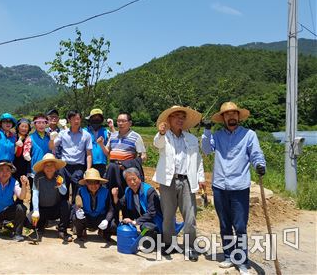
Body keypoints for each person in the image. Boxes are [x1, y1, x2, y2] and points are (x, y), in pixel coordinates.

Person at [202, 102, 266, 275]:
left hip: (239, 187)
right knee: (224, 225)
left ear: (238, 116)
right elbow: (207, 150)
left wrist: (260, 165)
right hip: (219, 186)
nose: (231, 117)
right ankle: (229, 256)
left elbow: (256, 154)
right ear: (223, 118)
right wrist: (207, 131)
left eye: (234, 114)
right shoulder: (218, 135)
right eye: (227, 114)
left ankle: (242, 261)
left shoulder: (249, 135)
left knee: (239, 226)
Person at [153, 105, 204, 261]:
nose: (180, 119)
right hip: (168, 181)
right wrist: (161, 132)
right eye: (176, 116)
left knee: (190, 216)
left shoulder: (192, 139)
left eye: (183, 117)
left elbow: (198, 160)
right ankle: (169, 244)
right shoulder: (163, 136)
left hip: (187, 180)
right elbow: (157, 144)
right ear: (169, 119)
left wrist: (201, 178)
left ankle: (189, 247)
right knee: (168, 215)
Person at [99, 112, 146, 199]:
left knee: (127, 194)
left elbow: (143, 156)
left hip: (126, 170)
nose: (120, 123)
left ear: (130, 123)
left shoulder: (136, 137)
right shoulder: (113, 136)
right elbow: (107, 152)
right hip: (112, 169)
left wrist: (128, 165)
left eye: (123, 121)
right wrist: (101, 144)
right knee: (111, 193)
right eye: (118, 121)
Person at [112, 167, 163, 245]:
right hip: (141, 220)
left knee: (146, 228)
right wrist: (115, 196)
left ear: (139, 178)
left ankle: (156, 240)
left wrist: (135, 222)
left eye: (134, 179)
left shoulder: (149, 191)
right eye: (129, 180)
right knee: (124, 223)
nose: (132, 182)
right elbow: (121, 205)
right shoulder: (128, 191)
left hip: (155, 222)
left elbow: (152, 213)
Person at [49, 110, 92, 202]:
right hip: (64, 167)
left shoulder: (86, 135)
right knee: (62, 190)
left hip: (79, 167)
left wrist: (88, 169)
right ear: (69, 120)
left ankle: (75, 213)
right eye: (73, 119)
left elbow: (89, 154)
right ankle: (64, 213)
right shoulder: (62, 133)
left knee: (77, 192)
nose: (76, 121)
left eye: (78, 119)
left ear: (80, 120)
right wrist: (52, 139)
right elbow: (51, 146)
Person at [30, 154, 72, 242]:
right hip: (41, 210)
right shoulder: (38, 176)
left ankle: (62, 231)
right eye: (46, 165)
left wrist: (60, 185)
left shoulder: (59, 176)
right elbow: (35, 193)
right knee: (29, 220)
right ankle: (39, 227)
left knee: (66, 204)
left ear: (55, 167)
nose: (49, 168)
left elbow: (64, 192)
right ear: (43, 167)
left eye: (51, 165)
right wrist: (36, 210)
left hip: (55, 209)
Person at [72, 168, 115, 242]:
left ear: (99, 183)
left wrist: (107, 220)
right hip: (86, 217)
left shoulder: (106, 192)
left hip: (100, 217)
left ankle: (104, 233)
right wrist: (77, 211)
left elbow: (111, 209)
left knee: (113, 224)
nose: (93, 185)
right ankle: (81, 234)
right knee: (75, 218)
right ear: (86, 183)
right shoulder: (81, 191)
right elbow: (77, 205)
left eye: (96, 182)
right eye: (90, 183)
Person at [23, 113, 52, 183]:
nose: (41, 125)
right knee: (35, 192)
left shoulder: (50, 137)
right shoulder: (30, 137)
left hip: (49, 168)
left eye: (43, 122)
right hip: (35, 169)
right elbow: (26, 149)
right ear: (35, 124)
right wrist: (26, 154)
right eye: (38, 123)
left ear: (46, 124)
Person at [83, 108, 110, 177]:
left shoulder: (106, 132)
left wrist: (112, 127)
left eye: (98, 118)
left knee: (101, 184)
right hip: (87, 163)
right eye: (94, 118)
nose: (96, 119)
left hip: (101, 163)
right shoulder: (84, 131)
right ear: (90, 119)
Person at [13, 118, 31, 182]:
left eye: (26, 127)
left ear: (29, 129)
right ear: (18, 127)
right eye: (22, 126)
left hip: (25, 167)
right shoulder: (13, 137)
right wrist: (17, 146)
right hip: (13, 165)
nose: (24, 128)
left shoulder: (29, 139)